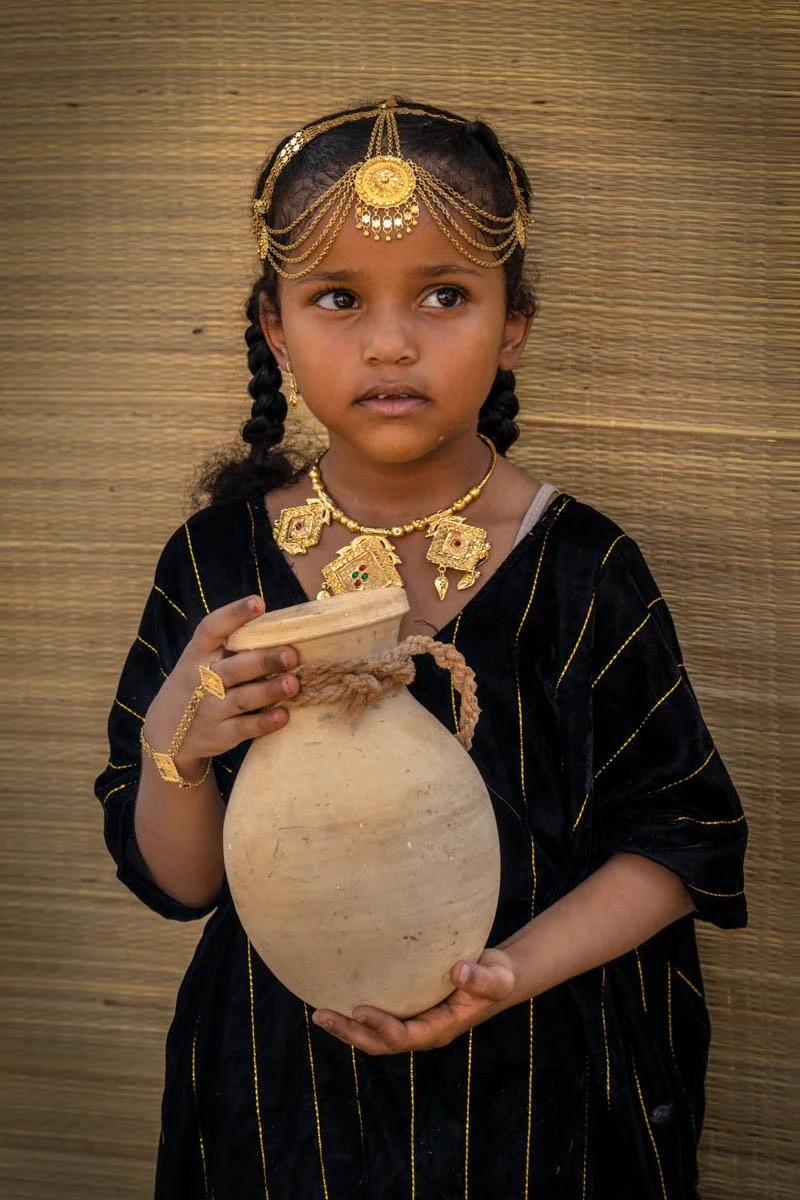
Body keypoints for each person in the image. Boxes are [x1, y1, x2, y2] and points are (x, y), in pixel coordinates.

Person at [95, 98, 747, 1200]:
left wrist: (503, 976)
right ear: (272, 327)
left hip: (537, 1091)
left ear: (513, 324)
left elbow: (679, 839)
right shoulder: (217, 563)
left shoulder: (581, 566)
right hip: (274, 1091)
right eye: (336, 299)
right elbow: (184, 882)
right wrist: (180, 746)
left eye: (445, 295)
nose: (390, 342)